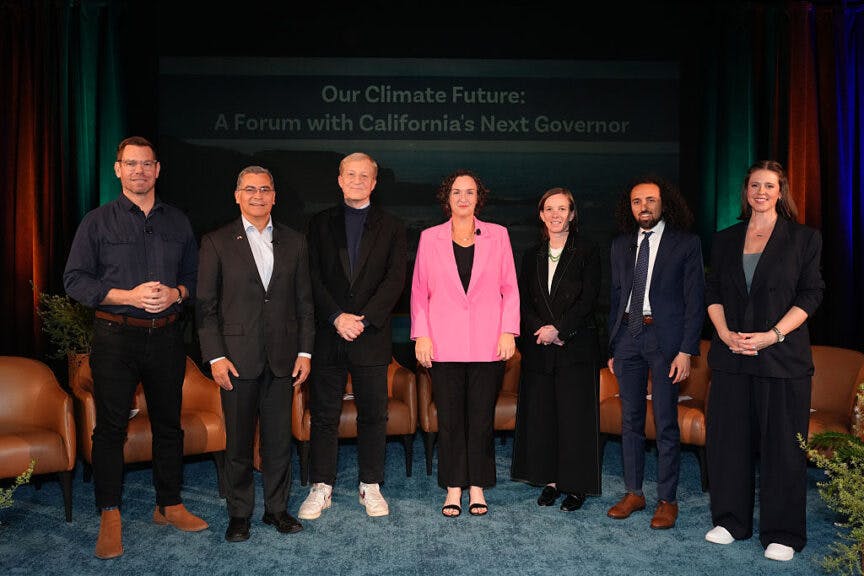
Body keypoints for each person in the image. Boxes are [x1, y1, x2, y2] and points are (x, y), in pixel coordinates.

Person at [63, 136, 207, 559]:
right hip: (115, 337)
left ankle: (170, 504)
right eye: (131, 164)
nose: (139, 171)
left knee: (168, 424)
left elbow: (197, 281)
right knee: (110, 429)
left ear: (158, 169)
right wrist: (127, 295)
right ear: (117, 169)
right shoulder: (96, 222)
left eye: (147, 164)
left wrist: (177, 293)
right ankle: (110, 514)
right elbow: (75, 280)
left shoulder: (178, 222)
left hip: (166, 337)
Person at [703, 160, 824, 562]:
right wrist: (723, 334)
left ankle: (784, 533)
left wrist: (772, 335)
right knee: (728, 443)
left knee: (784, 449)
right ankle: (731, 520)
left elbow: (810, 295)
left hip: (782, 360)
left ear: (780, 191)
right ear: (746, 190)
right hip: (732, 355)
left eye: (769, 185)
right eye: (755, 184)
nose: (761, 192)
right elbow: (714, 290)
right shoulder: (725, 239)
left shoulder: (803, 239)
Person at [196, 165, 315, 542]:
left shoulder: (295, 242)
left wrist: (305, 352)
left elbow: (305, 304)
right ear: (237, 195)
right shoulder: (215, 242)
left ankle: (277, 509)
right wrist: (215, 357)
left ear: (274, 196)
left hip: (283, 360)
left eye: (265, 189)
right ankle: (239, 514)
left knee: (280, 442)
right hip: (235, 361)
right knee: (239, 444)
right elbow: (205, 307)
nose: (258, 196)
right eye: (250, 189)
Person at [298, 152, 407, 519]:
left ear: (374, 183)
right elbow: (311, 275)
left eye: (365, 175)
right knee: (325, 415)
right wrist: (336, 316)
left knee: (373, 415)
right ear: (340, 179)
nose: (358, 180)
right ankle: (321, 486)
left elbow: (395, 280)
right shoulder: (318, 224)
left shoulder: (392, 226)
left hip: (370, 334)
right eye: (351, 174)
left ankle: (370, 485)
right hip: (329, 334)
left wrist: (364, 319)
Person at [411, 168, 519, 518]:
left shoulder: (499, 235)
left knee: (481, 418)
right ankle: (454, 488)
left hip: (489, 344)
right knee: (452, 419)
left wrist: (508, 331)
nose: (462, 198)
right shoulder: (429, 238)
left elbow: (510, 288)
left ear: (478, 198)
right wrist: (422, 335)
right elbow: (419, 292)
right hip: (442, 344)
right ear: (447, 198)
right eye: (456, 192)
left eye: (469, 192)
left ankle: (478, 487)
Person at [606, 175, 704, 530]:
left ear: (664, 203)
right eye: (636, 201)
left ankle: (667, 499)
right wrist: (614, 344)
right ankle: (634, 492)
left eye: (650, 200)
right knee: (630, 420)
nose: (643, 207)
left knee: (665, 423)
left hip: (666, 342)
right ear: (629, 207)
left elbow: (695, 301)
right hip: (628, 337)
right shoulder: (620, 244)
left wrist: (686, 351)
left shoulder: (686, 244)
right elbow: (617, 297)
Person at [511, 187, 602, 512]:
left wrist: (560, 330)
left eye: (562, 209)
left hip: (574, 345)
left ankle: (575, 486)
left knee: (575, 419)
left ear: (573, 214)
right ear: (541, 214)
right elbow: (523, 299)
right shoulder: (530, 254)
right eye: (549, 209)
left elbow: (589, 299)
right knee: (544, 417)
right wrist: (544, 331)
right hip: (540, 347)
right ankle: (550, 481)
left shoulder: (588, 251)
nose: (555, 215)